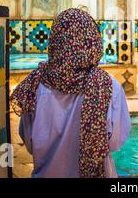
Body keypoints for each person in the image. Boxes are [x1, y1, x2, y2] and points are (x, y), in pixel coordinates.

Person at [10, 9, 131, 178]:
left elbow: (29, 142)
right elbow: (115, 142)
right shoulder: (108, 87)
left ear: (55, 41)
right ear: (92, 41)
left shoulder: (35, 84)